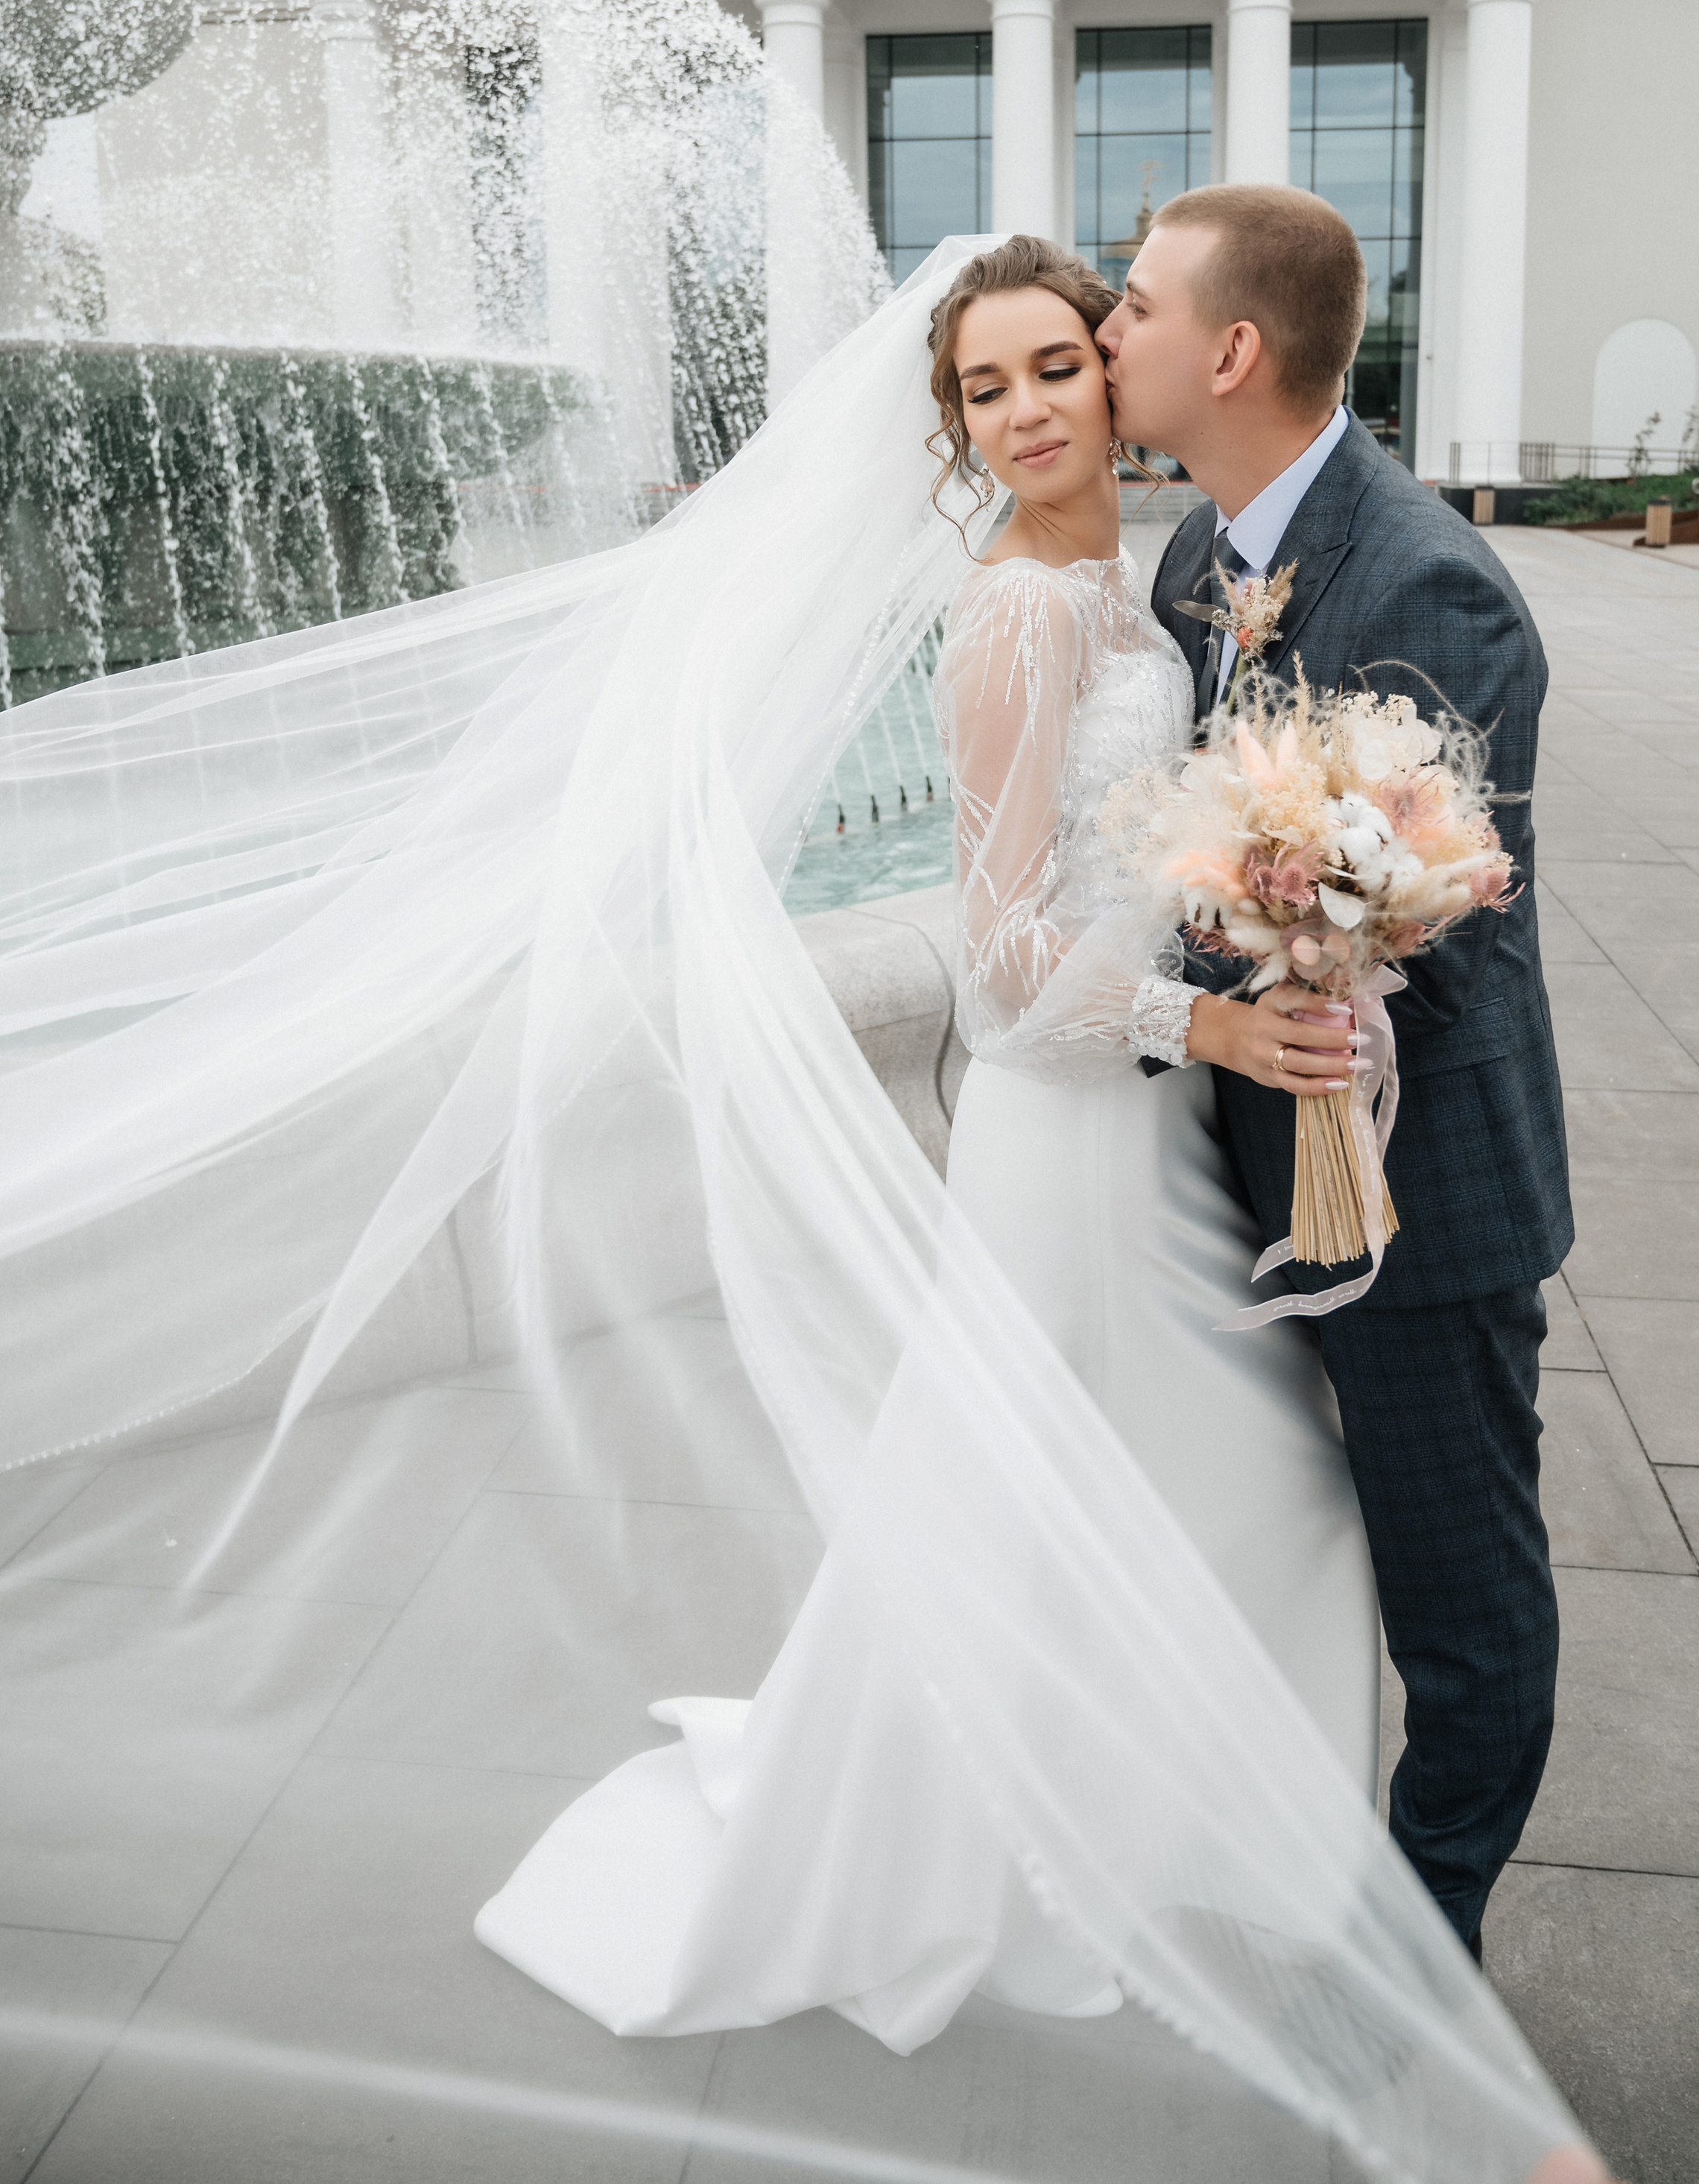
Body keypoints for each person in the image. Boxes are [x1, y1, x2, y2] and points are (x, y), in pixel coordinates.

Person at [0, 231, 1601, 2182]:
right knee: (1124, 1494)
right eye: (979, 389)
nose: (1021, 410)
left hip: (1161, 1138)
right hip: (1071, 1127)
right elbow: (1001, 970)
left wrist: (1303, 944)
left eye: (1050, 366)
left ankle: (1179, 1843)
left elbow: (1261, 817)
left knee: (1190, 1496)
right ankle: (1010, 1861)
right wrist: (1216, 1021)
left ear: (1124, 375)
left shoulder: (1167, 577)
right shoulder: (1013, 622)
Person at [1097, 183, 1575, 1964]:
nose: (1106, 328)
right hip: (1231, 1173)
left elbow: (1447, 929)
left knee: (1458, 1607)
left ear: (1229, 351)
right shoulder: (1187, 557)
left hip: (1411, 1196)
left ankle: (1418, 1953)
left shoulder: (1430, 583)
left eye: (1135, 305)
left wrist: (1306, 982)